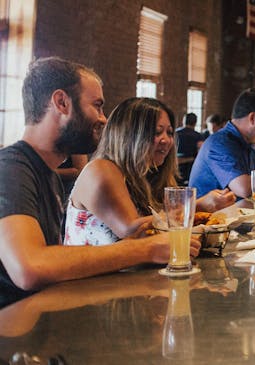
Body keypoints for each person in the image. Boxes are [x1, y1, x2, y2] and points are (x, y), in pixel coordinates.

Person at [0, 57, 199, 308]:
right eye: (97, 106)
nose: (104, 119)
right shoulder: (11, 168)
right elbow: (30, 267)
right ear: (61, 103)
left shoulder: (45, 173)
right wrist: (146, 249)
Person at [65, 97, 236, 246]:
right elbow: (135, 232)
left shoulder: (148, 175)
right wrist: (197, 205)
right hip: (93, 283)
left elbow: (164, 233)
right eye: (156, 132)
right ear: (129, 135)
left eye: (169, 133)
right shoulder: (101, 169)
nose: (166, 140)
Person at [189, 88, 255, 199]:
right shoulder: (219, 144)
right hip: (209, 215)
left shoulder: (246, 142)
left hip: (234, 212)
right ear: (252, 118)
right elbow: (243, 189)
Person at [175, 113, 203, 183]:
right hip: (191, 170)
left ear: (183, 121)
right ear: (195, 123)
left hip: (174, 168)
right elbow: (201, 156)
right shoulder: (198, 136)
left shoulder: (175, 134)